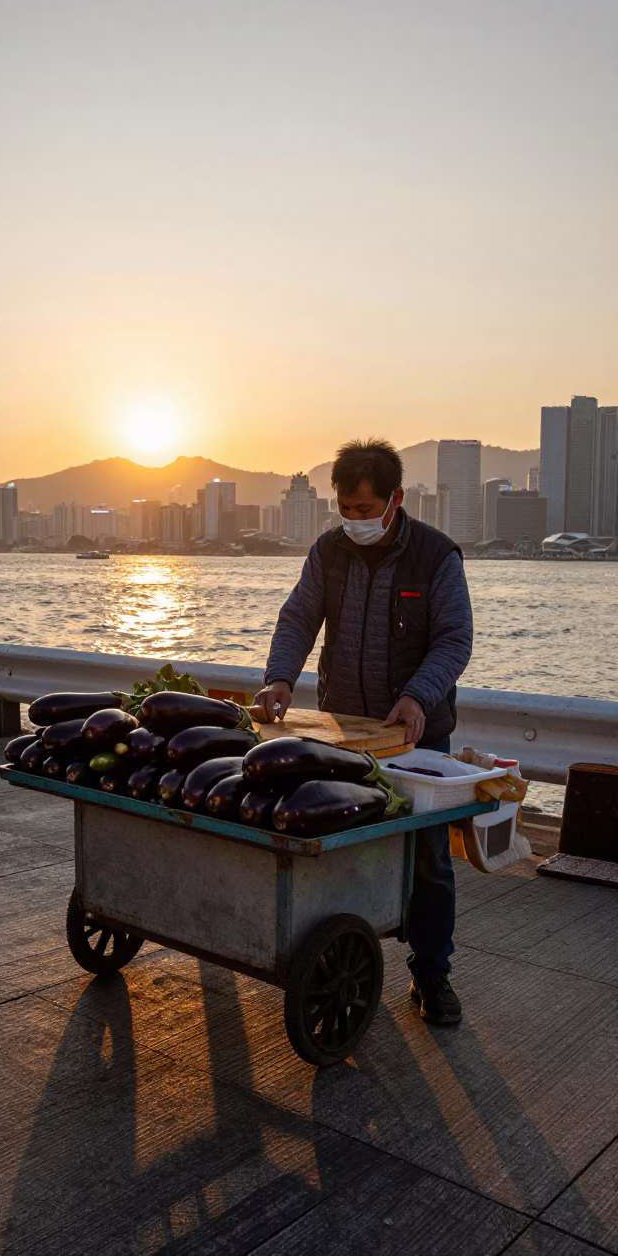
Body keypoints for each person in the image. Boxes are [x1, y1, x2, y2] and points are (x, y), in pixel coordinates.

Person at [253, 438, 473, 1026]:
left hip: (415, 735)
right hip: (342, 733)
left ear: (395, 499)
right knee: (340, 848)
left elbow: (454, 640)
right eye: (344, 508)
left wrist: (417, 696)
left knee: (427, 858)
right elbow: (299, 617)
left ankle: (432, 973)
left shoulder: (435, 556)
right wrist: (280, 678)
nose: (353, 519)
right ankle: (339, 964)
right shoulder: (328, 551)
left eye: (365, 509)